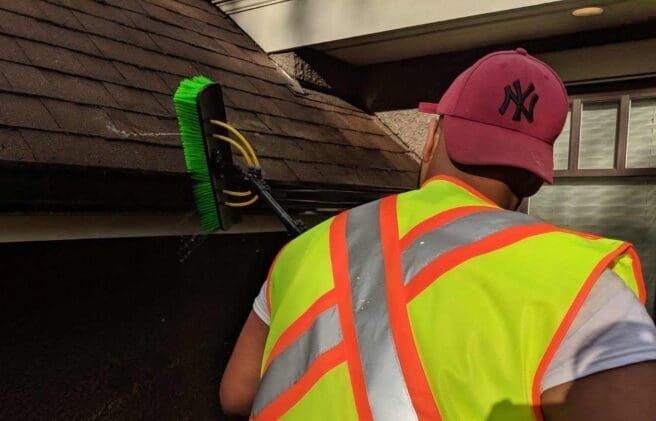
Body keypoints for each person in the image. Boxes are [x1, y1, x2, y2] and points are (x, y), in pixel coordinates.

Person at [219, 48, 656, 420]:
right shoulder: (583, 289)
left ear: (431, 138)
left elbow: (236, 394)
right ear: (534, 181)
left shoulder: (302, 252)